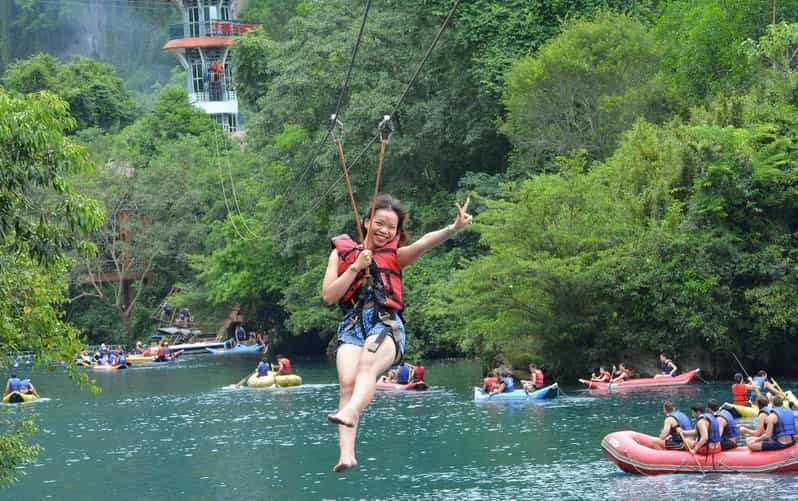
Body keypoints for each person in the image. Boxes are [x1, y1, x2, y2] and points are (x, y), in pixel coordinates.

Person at [322, 194, 472, 473]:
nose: (384, 230)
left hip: (385, 323)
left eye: (391, 227)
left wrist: (454, 227)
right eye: (379, 223)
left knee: (368, 366)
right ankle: (347, 455)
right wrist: (356, 266)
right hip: (353, 326)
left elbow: (424, 242)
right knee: (346, 384)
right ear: (367, 221)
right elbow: (330, 296)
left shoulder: (396, 256)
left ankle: (353, 410)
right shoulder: (341, 254)